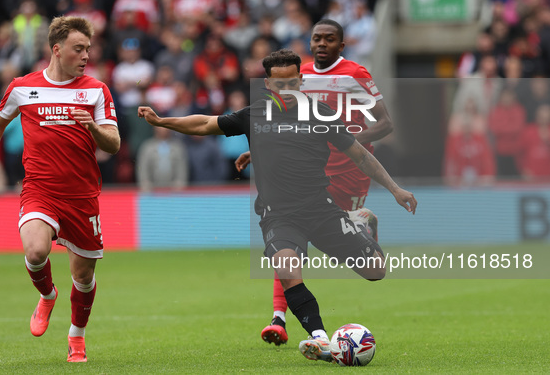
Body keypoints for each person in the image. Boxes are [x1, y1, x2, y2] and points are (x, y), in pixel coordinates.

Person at [137, 49, 416, 362]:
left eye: (293, 83)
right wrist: (163, 121)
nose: (287, 90)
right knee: (286, 267)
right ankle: (321, 339)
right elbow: (204, 123)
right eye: (280, 85)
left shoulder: (320, 113)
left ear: (301, 81)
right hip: (279, 216)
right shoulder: (254, 114)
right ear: (268, 84)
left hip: (321, 209)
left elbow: (360, 155)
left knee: (376, 271)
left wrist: (394, 189)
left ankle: (360, 221)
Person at [0, 16, 120, 363]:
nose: (85, 56)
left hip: (82, 195)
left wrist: (93, 128)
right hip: (40, 189)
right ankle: (47, 295)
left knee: (83, 275)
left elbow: (114, 144)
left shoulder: (96, 89)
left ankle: (76, 336)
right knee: (35, 252)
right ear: (56, 49)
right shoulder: (22, 87)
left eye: (88, 50)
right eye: (78, 49)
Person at [235, 19, 394, 346]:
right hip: (309, 171)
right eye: (316, 39)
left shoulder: (355, 75)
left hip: (348, 173)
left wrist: (342, 140)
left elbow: (385, 123)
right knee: (289, 241)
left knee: (298, 238)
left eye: (329, 39)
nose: (321, 44)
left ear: (341, 44)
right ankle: (279, 318)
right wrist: (261, 152)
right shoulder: (297, 74)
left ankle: (360, 224)